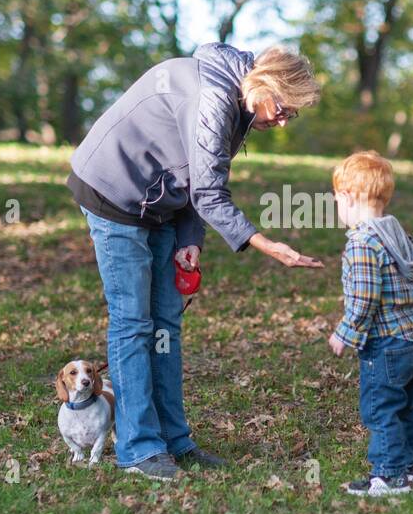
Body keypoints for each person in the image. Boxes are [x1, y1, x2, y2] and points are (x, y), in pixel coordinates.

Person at [68, 42, 323, 481]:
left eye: (292, 114)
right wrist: (264, 244)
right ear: (262, 83)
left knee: (166, 322)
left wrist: (190, 238)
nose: (283, 119)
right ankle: (138, 449)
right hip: (114, 192)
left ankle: (173, 440)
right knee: (134, 323)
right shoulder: (214, 99)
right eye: (282, 107)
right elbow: (208, 193)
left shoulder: (241, 102)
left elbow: (195, 173)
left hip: (161, 201)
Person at [327, 151, 413, 496]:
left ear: (348, 197)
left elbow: (364, 299)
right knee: (407, 404)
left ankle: (389, 475)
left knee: (380, 408)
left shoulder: (362, 242)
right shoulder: (398, 236)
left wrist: (344, 333)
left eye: (336, 201)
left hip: (386, 342)